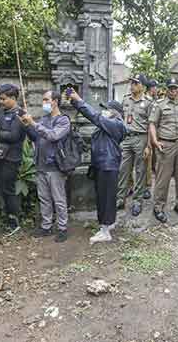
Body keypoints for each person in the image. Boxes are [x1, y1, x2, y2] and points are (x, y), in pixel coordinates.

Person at [69, 90, 126, 243]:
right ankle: (109, 224)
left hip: (108, 166)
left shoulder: (116, 125)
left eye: (106, 109)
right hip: (103, 165)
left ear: (115, 113)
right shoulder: (106, 127)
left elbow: (94, 116)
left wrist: (78, 101)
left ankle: (105, 231)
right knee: (106, 197)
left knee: (105, 198)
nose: (103, 112)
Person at [21, 90, 71, 243]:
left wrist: (34, 123)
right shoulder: (43, 119)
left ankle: (62, 228)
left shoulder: (63, 120)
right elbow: (36, 138)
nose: (44, 103)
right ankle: (46, 226)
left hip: (55, 166)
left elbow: (53, 136)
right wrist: (27, 125)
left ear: (55, 101)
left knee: (59, 199)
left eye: (46, 100)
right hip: (41, 165)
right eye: (43, 100)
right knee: (44, 198)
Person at [0, 83, 26, 236]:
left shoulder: (21, 114)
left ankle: (13, 223)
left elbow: (14, 136)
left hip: (11, 159)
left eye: (3, 99)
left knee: (8, 191)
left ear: (13, 98)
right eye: (0, 99)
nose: (1, 102)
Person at [149, 78, 178, 223]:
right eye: (170, 88)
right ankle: (158, 207)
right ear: (167, 89)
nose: (173, 91)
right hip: (165, 144)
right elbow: (152, 124)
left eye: (175, 88)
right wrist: (155, 141)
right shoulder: (159, 104)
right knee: (163, 177)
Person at [116, 74, 155, 215]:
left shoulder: (149, 102)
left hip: (141, 139)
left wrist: (148, 146)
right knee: (122, 170)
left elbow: (151, 125)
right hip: (126, 139)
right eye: (131, 82)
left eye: (135, 83)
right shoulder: (126, 99)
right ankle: (120, 199)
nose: (132, 85)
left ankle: (137, 201)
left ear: (142, 86)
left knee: (140, 171)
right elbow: (121, 118)